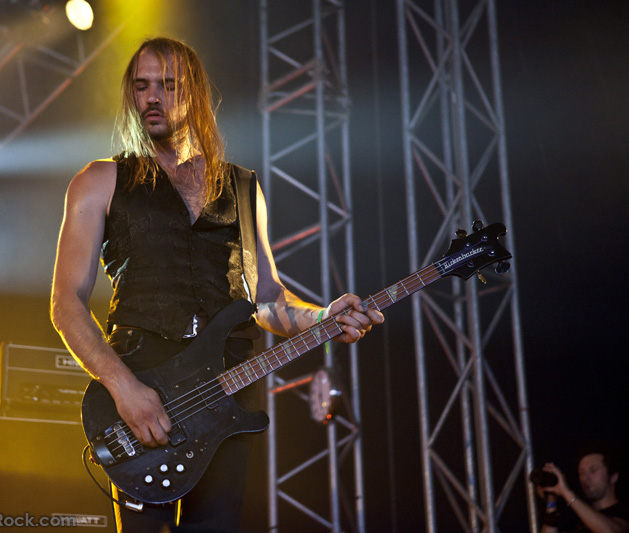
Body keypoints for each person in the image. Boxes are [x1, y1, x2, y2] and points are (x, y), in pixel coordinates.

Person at [49, 36, 383, 532]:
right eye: (141, 86)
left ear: (196, 94)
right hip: (144, 384)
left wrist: (323, 316)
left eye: (168, 85)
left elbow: (266, 299)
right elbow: (66, 303)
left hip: (226, 389)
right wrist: (123, 388)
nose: (152, 97)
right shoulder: (100, 180)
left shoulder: (244, 188)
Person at [537, 440, 629, 533]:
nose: (585, 478)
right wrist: (551, 504)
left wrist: (566, 492)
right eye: (581, 473)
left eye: (593, 471)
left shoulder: (628, 514)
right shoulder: (577, 521)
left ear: (613, 477)